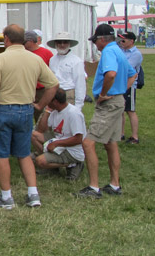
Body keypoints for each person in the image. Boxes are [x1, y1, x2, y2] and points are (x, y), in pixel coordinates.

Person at [0, 24, 59, 209]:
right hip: (26, 110)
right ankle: (33, 194)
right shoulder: (35, 59)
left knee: (2, 154)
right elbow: (53, 84)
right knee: (23, 154)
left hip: (4, 110)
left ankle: (6, 198)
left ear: (6, 38)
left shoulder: (0, 59)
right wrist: (40, 105)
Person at [76, 24, 137, 198]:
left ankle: (93, 188)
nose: (95, 44)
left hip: (108, 103)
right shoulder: (119, 51)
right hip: (118, 101)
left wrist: (103, 94)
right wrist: (121, 90)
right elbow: (133, 74)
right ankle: (114, 184)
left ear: (102, 39)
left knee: (88, 143)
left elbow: (110, 74)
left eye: (95, 40)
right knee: (110, 143)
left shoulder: (109, 52)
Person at [31, 88, 86, 180]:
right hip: (59, 139)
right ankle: (53, 165)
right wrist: (47, 111)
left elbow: (78, 139)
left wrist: (56, 143)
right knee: (33, 135)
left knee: (40, 161)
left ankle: (74, 163)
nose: (46, 102)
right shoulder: (55, 111)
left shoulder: (74, 114)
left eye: (48, 100)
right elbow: (41, 130)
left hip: (72, 150)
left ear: (55, 102)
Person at [46, 32, 86, 109]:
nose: (62, 45)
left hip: (68, 94)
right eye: (59, 42)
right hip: (54, 93)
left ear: (69, 44)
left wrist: (78, 105)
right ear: (55, 44)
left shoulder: (76, 61)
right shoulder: (52, 60)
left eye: (65, 42)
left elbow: (80, 84)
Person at [118, 31, 142, 144]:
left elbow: (127, 68)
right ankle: (121, 134)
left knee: (130, 110)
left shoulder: (136, 54)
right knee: (120, 110)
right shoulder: (121, 51)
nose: (121, 42)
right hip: (120, 84)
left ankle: (135, 137)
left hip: (130, 85)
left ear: (131, 41)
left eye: (124, 40)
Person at [24, 30, 54, 122]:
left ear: (31, 41)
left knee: (41, 116)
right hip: (26, 89)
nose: (23, 44)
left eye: (24, 42)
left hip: (41, 90)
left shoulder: (47, 53)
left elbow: (52, 71)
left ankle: (40, 133)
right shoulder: (23, 53)